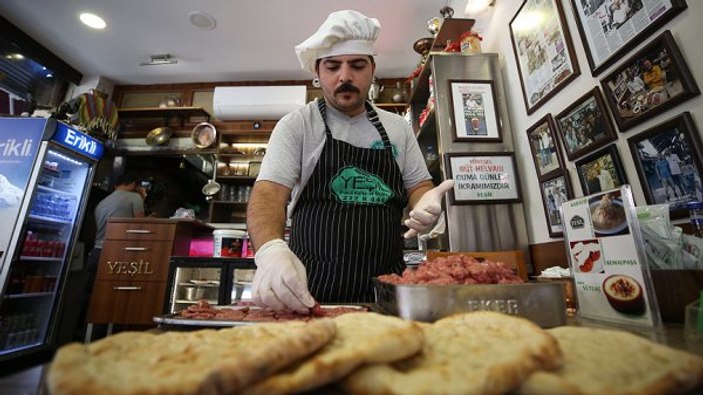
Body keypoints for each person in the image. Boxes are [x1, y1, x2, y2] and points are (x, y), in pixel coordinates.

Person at [246, 10, 453, 312]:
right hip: (310, 293)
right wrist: (270, 251)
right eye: (332, 66)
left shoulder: (396, 127)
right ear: (318, 72)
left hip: (387, 292)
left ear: (372, 69)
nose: (345, 76)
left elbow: (419, 186)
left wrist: (426, 204)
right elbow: (267, 196)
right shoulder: (298, 125)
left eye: (357, 65)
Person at [78, 174, 146, 337]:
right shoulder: (134, 197)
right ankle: (110, 336)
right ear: (132, 184)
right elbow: (141, 225)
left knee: (93, 295)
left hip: (97, 252)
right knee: (115, 299)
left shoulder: (102, 203)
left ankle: (85, 333)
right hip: (117, 253)